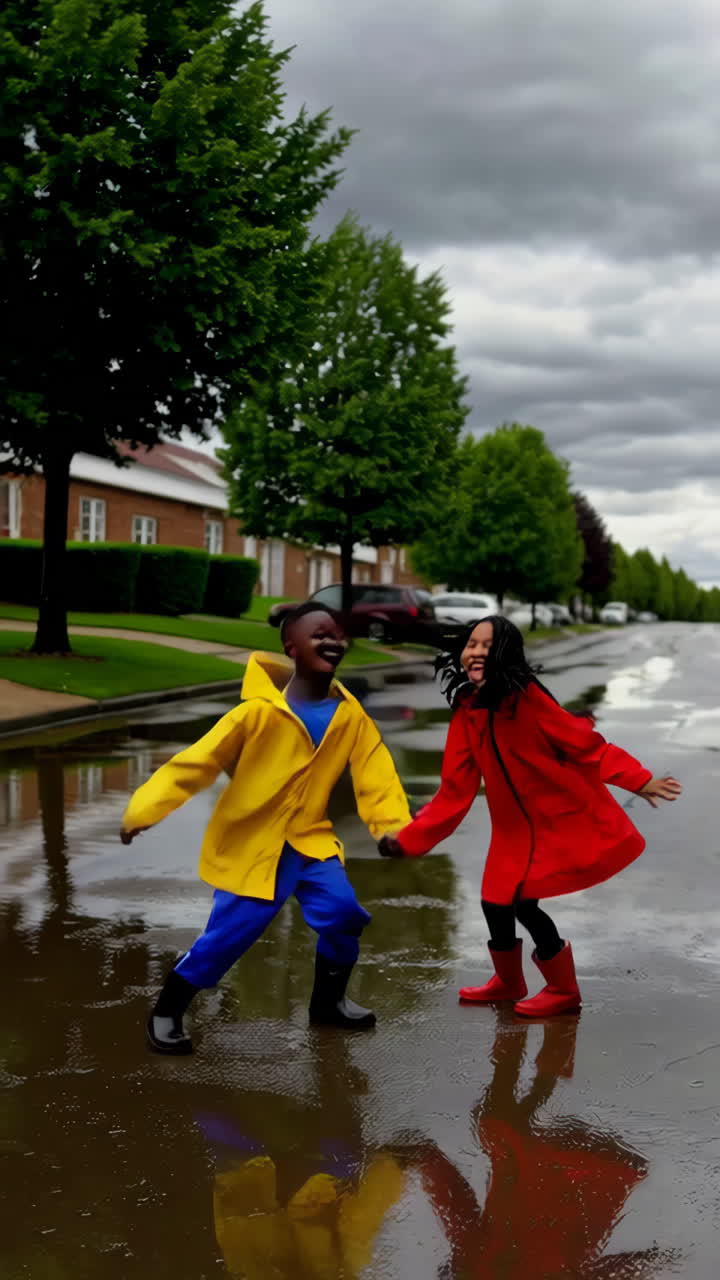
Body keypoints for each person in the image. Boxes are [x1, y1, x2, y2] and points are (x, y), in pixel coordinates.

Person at [120, 602, 411, 1054]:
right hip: (256, 844)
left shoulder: (350, 715)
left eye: (338, 634)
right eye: (319, 634)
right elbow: (197, 762)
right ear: (290, 646)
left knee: (343, 915)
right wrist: (143, 810)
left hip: (310, 841)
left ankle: (327, 1003)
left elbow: (377, 774)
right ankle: (167, 1009)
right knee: (229, 937)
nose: (333, 641)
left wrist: (393, 828)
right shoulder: (255, 713)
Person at [378, 617, 682, 1016]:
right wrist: (409, 840)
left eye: (488, 645)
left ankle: (563, 989)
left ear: (507, 653)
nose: (477, 652)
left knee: (521, 904)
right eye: (471, 644)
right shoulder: (469, 710)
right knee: (494, 902)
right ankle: (509, 981)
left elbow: (585, 744)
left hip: (550, 821)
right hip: (511, 831)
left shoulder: (528, 699)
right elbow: (455, 791)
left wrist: (639, 780)